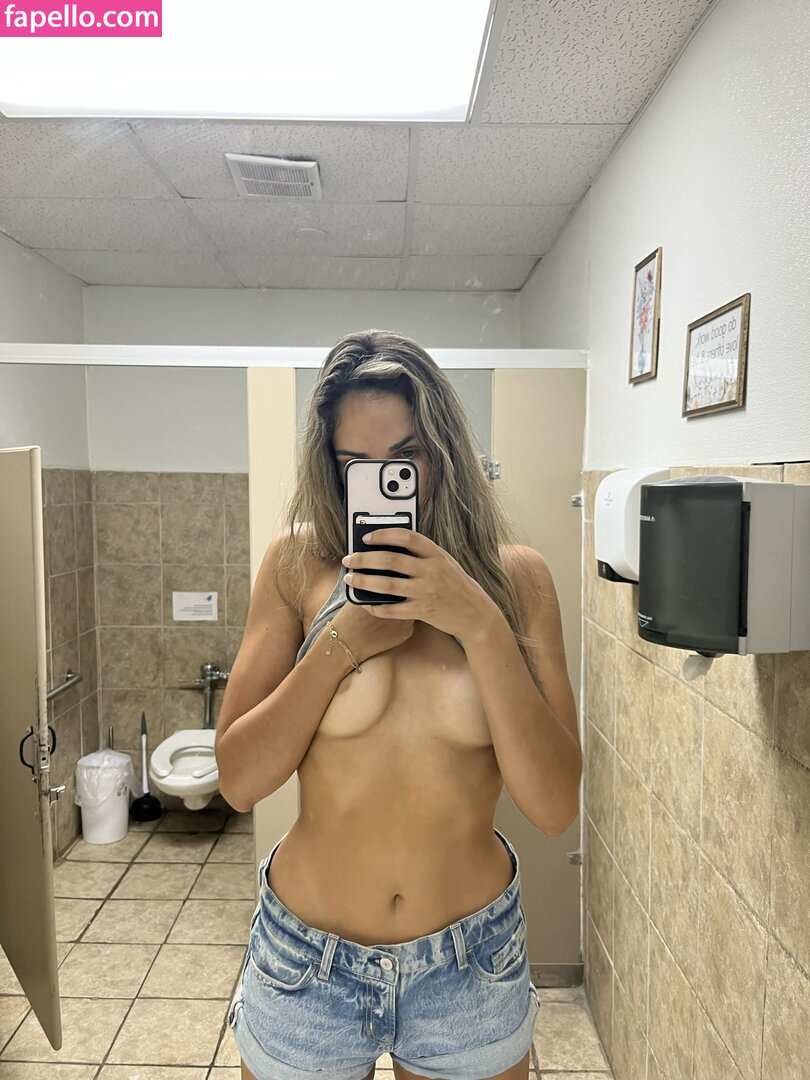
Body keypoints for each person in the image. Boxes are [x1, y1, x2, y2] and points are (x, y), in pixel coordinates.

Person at [215, 330, 582, 1080]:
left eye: (406, 458)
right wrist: (341, 643)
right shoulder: (296, 565)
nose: (385, 483)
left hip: (470, 964)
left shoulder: (517, 581)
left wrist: (477, 621)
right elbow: (240, 781)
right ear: (330, 467)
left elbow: (554, 808)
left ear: (445, 452)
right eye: (356, 464)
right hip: (306, 963)